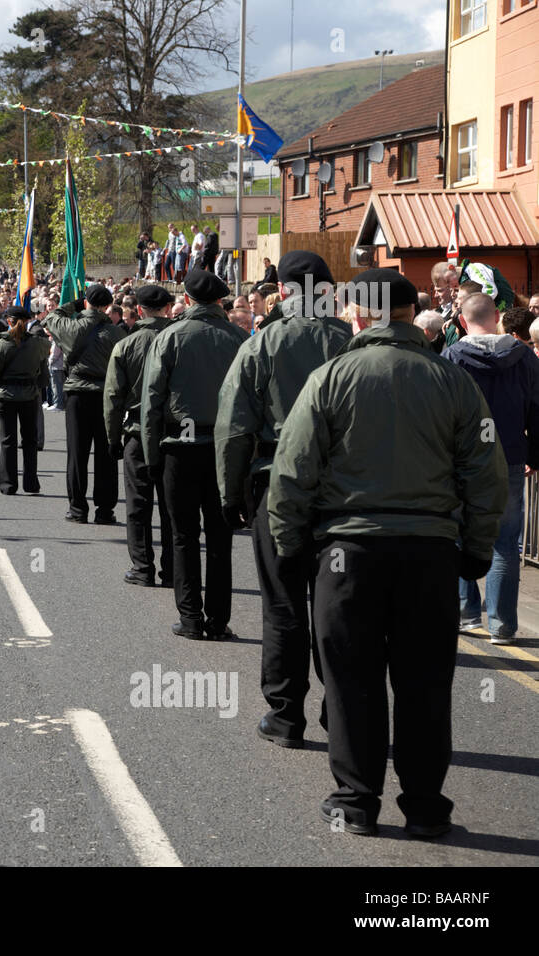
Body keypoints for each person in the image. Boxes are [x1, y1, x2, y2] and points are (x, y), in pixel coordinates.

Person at [269, 268, 506, 839]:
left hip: (348, 552)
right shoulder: (452, 382)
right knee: (425, 684)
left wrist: (291, 544)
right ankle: (425, 807)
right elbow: (487, 472)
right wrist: (474, 548)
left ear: (357, 312)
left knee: (352, 681)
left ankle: (355, 802)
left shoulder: (330, 377)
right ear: (409, 311)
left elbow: (292, 472)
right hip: (428, 551)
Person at [215, 251, 351, 748]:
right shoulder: (350, 342)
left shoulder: (262, 344)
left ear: (285, 292)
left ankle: (285, 714)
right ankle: (338, 712)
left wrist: (231, 496)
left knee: (284, 603)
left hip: (277, 484)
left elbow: (234, 429)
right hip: (340, 492)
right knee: (337, 609)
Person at [141, 268, 249, 640]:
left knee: (183, 535)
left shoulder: (170, 337)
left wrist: (152, 455)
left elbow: (151, 402)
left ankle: (190, 618)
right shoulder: (239, 338)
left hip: (179, 450)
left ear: (186, 299)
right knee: (221, 539)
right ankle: (218, 622)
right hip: (223, 450)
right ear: (221, 301)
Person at [444, 294, 539, 645]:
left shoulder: (452, 357)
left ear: (462, 320)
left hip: (463, 459)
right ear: (497, 316)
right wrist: (535, 453)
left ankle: (467, 615)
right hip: (510, 456)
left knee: (459, 535)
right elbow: (537, 406)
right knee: (505, 542)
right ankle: (501, 625)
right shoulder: (524, 356)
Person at [105, 284, 174, 588]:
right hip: (173, 433)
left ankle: (142, 566)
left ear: (140, 310)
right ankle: (173, 568)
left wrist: (112, 438)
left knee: (138, 505)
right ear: (168, 308)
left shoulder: (127, 344)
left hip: (136, 432)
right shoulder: (178, 340)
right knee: (173, 507)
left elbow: (113, 397)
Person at [45, 285, 125, 525]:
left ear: (88, 303)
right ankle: (105, 510)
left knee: (77, 454)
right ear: (107, 307)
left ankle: (78, 508)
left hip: (78, 394)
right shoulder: (115, 334)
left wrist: (76, 305)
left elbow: (52, 316)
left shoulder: (71, 327)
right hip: (106, 396)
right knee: (107, 454)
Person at [0, 306, 50, 494]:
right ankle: (31, 483)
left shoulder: (1, 344)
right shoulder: (37, 344)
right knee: (30, 441)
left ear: (9, 321)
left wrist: (3, 381)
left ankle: (8, 484)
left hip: (6, 396)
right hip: (29, 395)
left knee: (7, 441)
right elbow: (45, 359)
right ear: (27, 321)